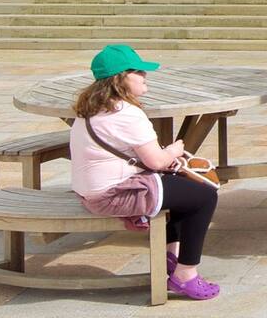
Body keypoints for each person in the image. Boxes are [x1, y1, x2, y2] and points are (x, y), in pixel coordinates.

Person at [69, 44, 221, 300]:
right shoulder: (128, 114)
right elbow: (157, 162)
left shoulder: (88, 111)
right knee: (204, 196)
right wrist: (174, 150)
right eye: (138, 71)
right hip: (113, 196)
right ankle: (186, 275)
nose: (144, 75)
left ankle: (172, 256)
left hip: (90, 193)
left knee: (178, 189)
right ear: (120, 79)